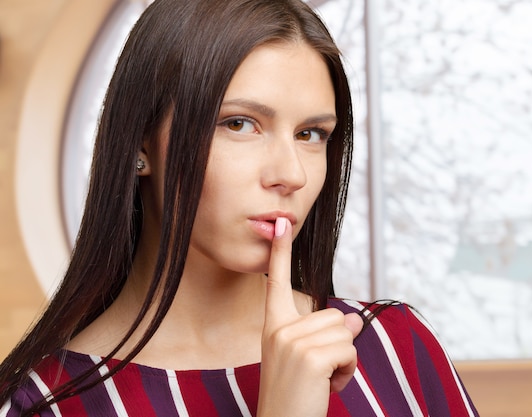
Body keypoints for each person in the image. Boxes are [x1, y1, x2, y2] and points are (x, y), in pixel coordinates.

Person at [0, 0, 479, 415]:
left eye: (311, 134)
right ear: (140, 142)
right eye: (240, 124)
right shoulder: (43, 404)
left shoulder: (395, 347)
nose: (291, 173)